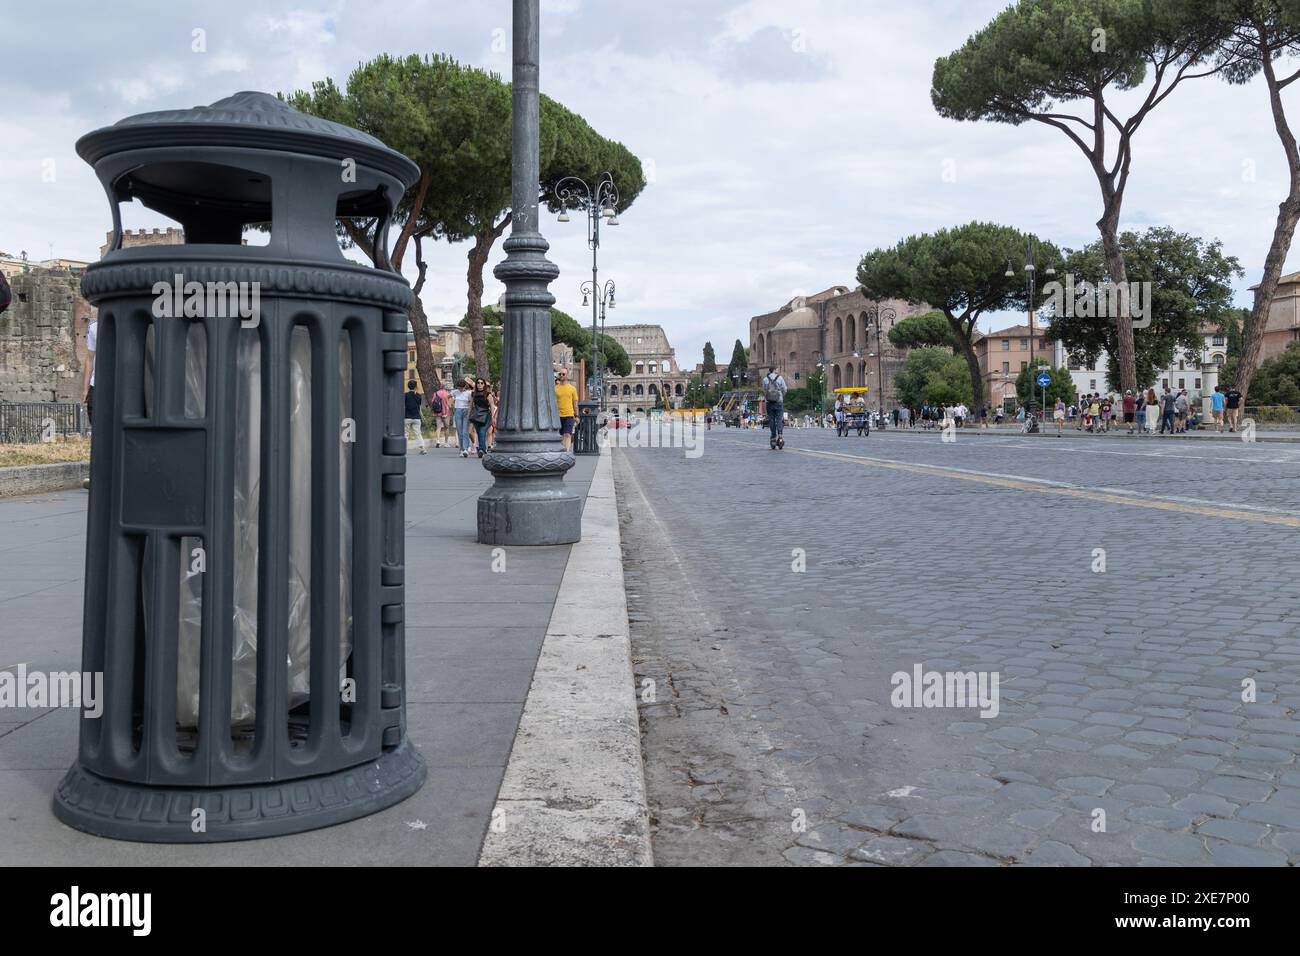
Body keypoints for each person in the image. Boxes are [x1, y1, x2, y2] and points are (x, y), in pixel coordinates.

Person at [761, 365, 787, 449]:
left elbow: (764, 390)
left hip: (769, 402)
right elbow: (785, 389)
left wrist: (767, 397)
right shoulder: (780, 378)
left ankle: (773, 437)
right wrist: (781, 395)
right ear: (775, 370)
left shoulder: (765, 379)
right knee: (779, 419)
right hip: (778, 401)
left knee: (771, 419)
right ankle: (780, 436)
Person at [469, 377, 496, 458]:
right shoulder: (473, 394)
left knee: (482, 432)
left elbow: (492, 406)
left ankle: (482, 449)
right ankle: (482, 449)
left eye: (482, 383)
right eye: (478, 383)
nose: (480, 384)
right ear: (476, 384)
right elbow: (470, 405)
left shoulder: (488, 394)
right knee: (479, 432)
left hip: (486, 416)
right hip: (476, 416)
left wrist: (493, 417)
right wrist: (468, 415)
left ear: (484, 385)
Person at [554, 368, 579, 451]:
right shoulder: (555, 388)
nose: (561, 375)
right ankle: (562, 450)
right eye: (560, 374)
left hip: (569, 415)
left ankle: (566, 451)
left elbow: (575, 404)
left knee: (568, 434)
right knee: (561, 435)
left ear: (567, 375)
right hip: (557, 416)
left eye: (563, 374)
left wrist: (577, 415)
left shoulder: (572, 389)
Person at [403, 380, 427, 455]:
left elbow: (403, 406)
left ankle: (404, 449)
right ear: (416, 386)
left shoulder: (405, 395)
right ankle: (423, 448)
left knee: (406, 433)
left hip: (407, 416)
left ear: (408, 386)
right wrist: (422, 417)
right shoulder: (419, 396)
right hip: (417, 417)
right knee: (418, 433)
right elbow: (419, 407)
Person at [452, 377, 473, 457]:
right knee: (459, 431)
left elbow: (471, 402)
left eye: (462, 387)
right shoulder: (455, 392)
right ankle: (461, 449)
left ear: (465, 386)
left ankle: (465, 449)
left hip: (466, 411)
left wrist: (469, 412)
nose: (460, 389)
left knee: (465, 431)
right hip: (457, 411)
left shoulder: (468, 393)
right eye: (459, 387)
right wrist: (449, 406)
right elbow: (448, 397)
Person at [430, 381, 452, 447]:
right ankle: (446, 443)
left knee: (438, 427)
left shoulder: (436, 393)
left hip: (437, 412)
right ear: (446, 387)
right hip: (446, 413)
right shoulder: (448, 394)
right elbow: (449, 405)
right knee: (446, 428)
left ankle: (438, 441)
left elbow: (432, 402)